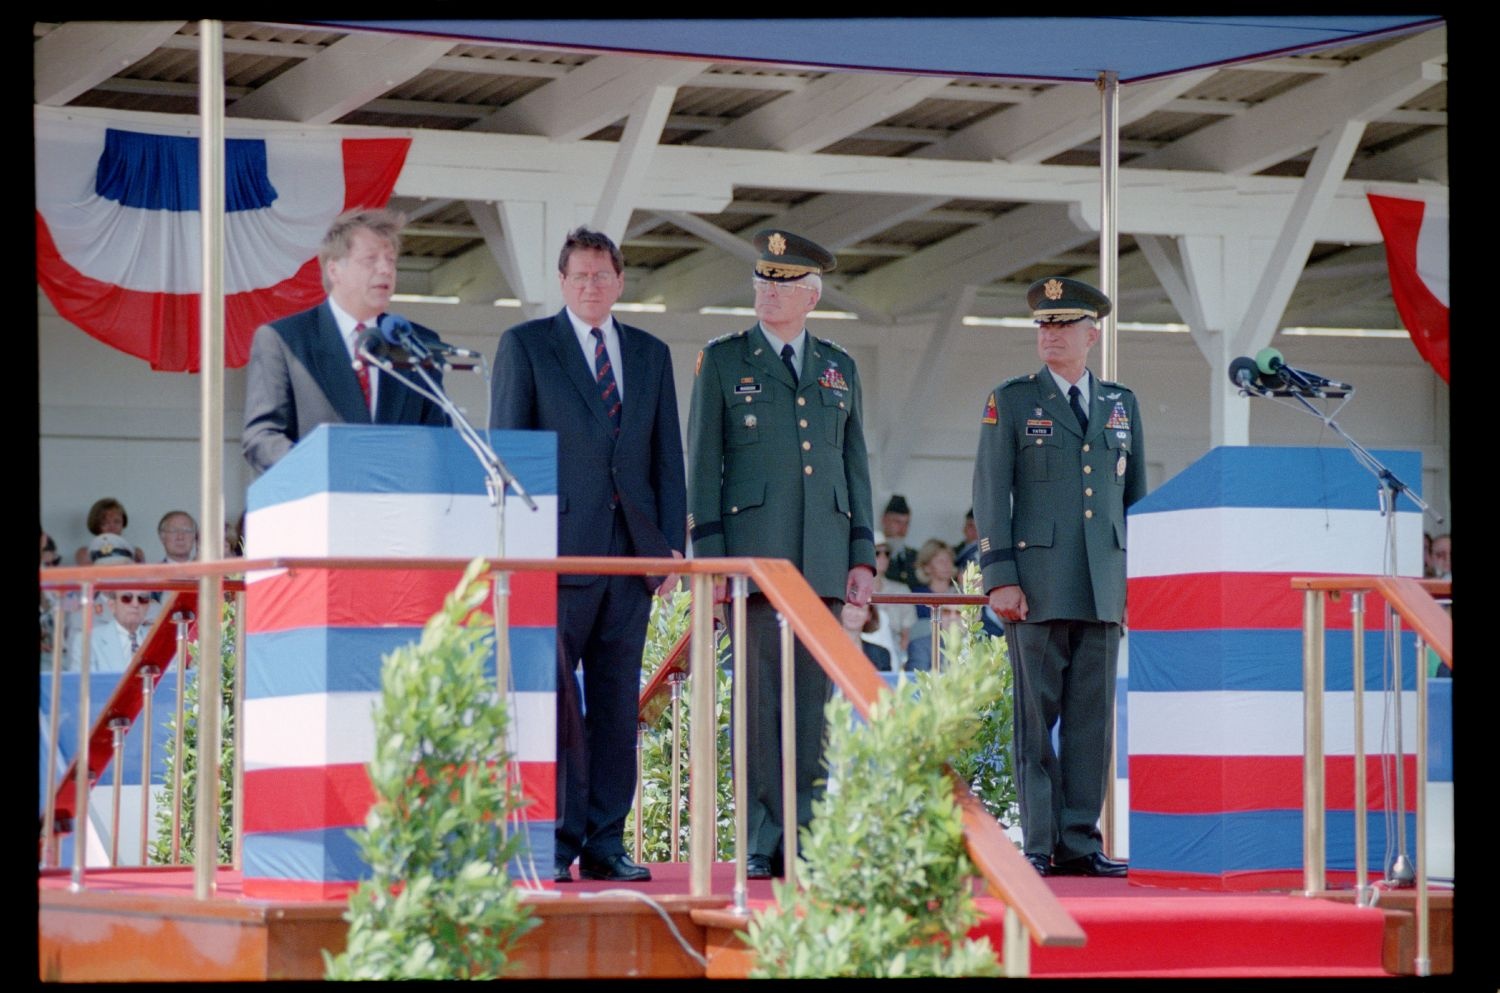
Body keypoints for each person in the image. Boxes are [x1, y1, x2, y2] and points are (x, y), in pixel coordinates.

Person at [491, 227, 686, 884]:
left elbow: (667, 457)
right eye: (580, 276)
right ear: (562, 280)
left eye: (603, 276)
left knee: (614, 707)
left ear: (620, 280)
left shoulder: (651, 353)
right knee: (552, 709)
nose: (592, 287)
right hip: (554, 557)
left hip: (632, 560)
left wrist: (667, 550)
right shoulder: (527, 346)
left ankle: (605, 839)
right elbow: (509, 455)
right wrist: (518, 549)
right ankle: (549, 837)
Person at [686, 229, 876, 880]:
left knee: (810, 710)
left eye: (784, 283)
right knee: (761, 707)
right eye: (763, 282)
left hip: (821, 561)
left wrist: (861, 555)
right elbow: (702, 466)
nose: (770, 293)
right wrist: (710, 562)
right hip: (754, 561)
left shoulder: (837, 366)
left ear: (812, 294)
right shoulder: (724, 360)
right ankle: (764, 838)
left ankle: (808, 835)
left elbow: (855, 467)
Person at [972, 275, 1146, 879]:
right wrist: (999, 575)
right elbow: (992, 494)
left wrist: (1137, 581)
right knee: (1034, 723)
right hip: (1037, 586)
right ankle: (1040, 843)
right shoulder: (1014, 399)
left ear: (1092, 334)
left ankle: (1079, 840)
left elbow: (1134, 500)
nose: (1050, 334)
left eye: (1063, 324)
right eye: (1044, 324)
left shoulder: (1121, 404)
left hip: (1102, 585)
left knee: (1091, 725)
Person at [242, 208, 448, 474]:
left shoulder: (417, 343)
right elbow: (262, 438)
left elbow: (437, 435)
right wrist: (321, 473)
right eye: (370, 260)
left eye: (391, 260)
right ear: (335, 270)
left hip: (399, 505)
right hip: (318, 504)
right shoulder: (285, 340)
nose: (385, 269)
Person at [65, 590, 152, 674]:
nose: (135, 604)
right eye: (127, 598)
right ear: (112, 606)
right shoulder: (87, 641)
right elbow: (82, 686)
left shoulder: (159, 639)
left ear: (148, 606)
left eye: (142, 599)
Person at [905, 538, 959, 672]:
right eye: (941, 561)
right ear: (926, 567)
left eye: (949, 560)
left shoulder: (962, 594)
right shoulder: (917, 595)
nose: (947, 565)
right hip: (928, 651)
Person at [73, 497, 145, 565]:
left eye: (117, 521)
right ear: (96, 525)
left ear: (123, 523)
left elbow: (142, 575)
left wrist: (139, 561)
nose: (112, 527)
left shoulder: (135, 552)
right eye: (105, 523)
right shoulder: (85, 553)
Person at [840, 601, 892, 671]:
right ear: (839, 610)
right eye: (849, 607)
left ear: (869, 615)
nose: (854, 614)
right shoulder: (823, 649)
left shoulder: (881, 654)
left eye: (861, 609)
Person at [881, 495, 919, 587]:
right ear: (884, 520)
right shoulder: (873, 554)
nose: (902, 529)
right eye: (897, 522)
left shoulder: (915, 557)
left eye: (906, 523)